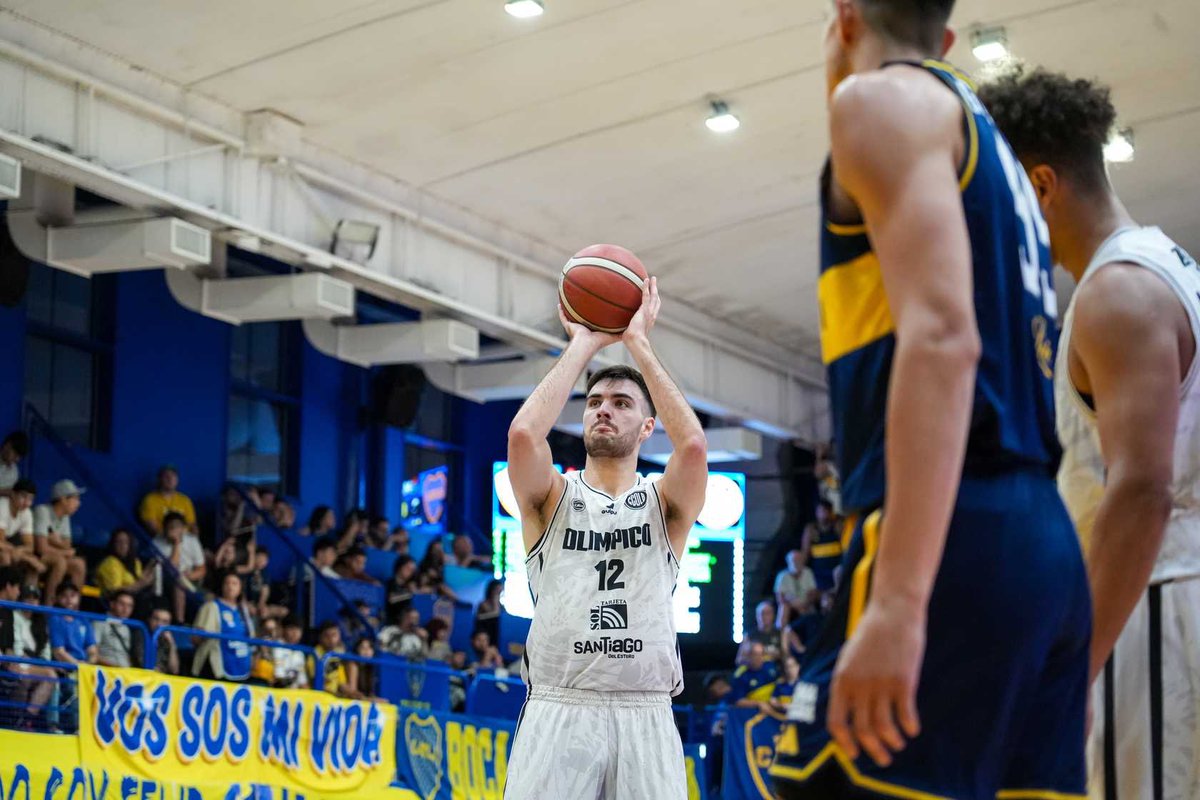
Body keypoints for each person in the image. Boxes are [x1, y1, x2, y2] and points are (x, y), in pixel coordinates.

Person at [769, 3, 1090, 798]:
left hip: (949, 530)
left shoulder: (880, 101)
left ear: (846, 17)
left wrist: (899, 604)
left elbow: (945, 338)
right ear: (945, 39)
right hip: (1042, 546)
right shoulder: (994, 153)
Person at [980, 66, 1200, 800]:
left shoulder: (1118, 292)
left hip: (1156, 606)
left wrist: (1072, 673)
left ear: (1040, 185)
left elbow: (1140, 492)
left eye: (998, 195)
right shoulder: (1160, 266)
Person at [504, 275, 708, 800]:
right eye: (595, 401)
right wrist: (584, 343)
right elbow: (524, 435)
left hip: (646, 710)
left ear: (647, 428)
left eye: (621, 403)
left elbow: (692, 449)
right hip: (560, 705)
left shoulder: (664, 505)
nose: (603, 409)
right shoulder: (552, 498)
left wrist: (638, 342)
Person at [31, 480, 87, 604]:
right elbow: (41, 548)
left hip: (52, 555)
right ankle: (49, 607)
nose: (78, 503)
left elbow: (67, 545)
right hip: (35, 555)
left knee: (79, 564)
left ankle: (73, 608)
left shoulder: (65, 517)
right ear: (63, 499)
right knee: (60, 561)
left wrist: (56, 542)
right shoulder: (42, 511)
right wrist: (64, 551)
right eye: (75, 499)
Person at [191, 572, 253, 682]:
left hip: (241, 665)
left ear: (240, 588)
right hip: (216, 666)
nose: (230, 586)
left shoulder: (244, 611)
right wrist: (203, 635)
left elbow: (251, 639)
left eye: (234, 583)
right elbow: (195, 638)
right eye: (227, 583)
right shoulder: (211, 606)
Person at [154, 512, 206, 621]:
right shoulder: (157, 542)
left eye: (177, 526)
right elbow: (170, 570)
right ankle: (179, 622)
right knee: (178, 584)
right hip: (165, 580)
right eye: (171, 526)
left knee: (210, 598)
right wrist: (176, 544)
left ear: (183, 528)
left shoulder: (192, 540)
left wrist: (189, 576)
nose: (174, 529)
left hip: (189, 579)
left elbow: (202, 569)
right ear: (165, 528)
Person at [0, 479, 45, 577]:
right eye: (23, 496)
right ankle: (5, 586)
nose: (26, 502)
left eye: (30, 499)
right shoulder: (2, 506)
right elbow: (1, 543)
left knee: (34, 563)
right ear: (13, 494)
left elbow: (30, 546)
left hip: (8, 546)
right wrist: (26, 557)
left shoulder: (27, 513)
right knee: (5, 557)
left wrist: (20, 551)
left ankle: (29, 588)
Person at [94, 528, 155, 599]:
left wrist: (149, 569)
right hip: (113, 601)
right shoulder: (110, 562)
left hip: (133, 599)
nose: (123, 545)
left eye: (126, 542)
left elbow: (138, 580)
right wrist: (142, 584)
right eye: (119, 542)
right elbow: (115, 592)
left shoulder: (135, 562)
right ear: (113, 544)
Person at [139, 465, 197, 536]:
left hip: (185, 538)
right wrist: (173, 537)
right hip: (162, 539)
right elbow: (153, 528)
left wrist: (194, 532)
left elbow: (191, 524)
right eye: (166, 476)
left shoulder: (184, 500)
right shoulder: (150, 500)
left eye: (173, 476)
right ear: (159, 479)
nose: (170, 479)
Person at [775, 545, 819, 627]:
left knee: (811, 612)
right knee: (783, 608)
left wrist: (805, 603)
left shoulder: (808, 572)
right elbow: (780, 597)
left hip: (806, 603)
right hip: (790, 604)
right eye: (794, 560)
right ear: (788, 562)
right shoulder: (782, 576)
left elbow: (813, 592)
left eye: (799, 560)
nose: (796, 562)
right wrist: (794, 605)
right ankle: (780, 631)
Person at [93, 590, 137, 668]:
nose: (126, 609)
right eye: (122, 604)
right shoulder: (99, 623)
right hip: (107, 671)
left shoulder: (126, 627)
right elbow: (93, 654)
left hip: (125, 672)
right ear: (112, 604)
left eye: (130, 606)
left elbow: (126, 655)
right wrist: (114, 667)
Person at [273, 616, 308, 689]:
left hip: (293, 692)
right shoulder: (277, 647)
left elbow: (303, 682)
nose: (295, 633)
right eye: (291, 629)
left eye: (298, 629)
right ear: (283, 630)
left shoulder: (300, 653)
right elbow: (279, 678)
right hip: (278, 690)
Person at [147, 606, 179, 675]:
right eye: (156, 619)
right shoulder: (142, 634)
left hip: (161, 678)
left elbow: (174, 670)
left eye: (165, 622)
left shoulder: (167, 640)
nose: (159, 624)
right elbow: (143, 664)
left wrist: (171, 643)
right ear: (149, 619)